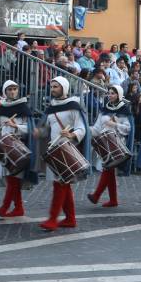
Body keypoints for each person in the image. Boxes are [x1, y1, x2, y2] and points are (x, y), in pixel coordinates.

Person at [35, 77, 90, 232]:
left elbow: (82, 128)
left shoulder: (73, 106)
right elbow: (47, 129)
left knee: (60, 184)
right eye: (51, 86)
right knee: (63, 185)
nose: (52, 89)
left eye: (56, 87)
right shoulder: (51, 107)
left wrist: (71, 133)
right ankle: (70, 218)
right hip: (54, 150)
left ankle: (53, 219)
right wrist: (39, 131)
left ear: (64, 88)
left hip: (67, 150)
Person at [0, 80, 35, 218]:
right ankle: (19, 208)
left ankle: (5, 207)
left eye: (15, 89)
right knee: (11, 178)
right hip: (4, 148)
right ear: (5, 92)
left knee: (13, 178)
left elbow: (30, 129)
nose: (13, 92)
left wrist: (16, 126)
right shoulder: (2, 109)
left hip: (18, 147)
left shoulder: (23, 108)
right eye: (10, 89)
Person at [87, 86, 134, 208]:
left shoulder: (124, 109)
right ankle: (113, 200)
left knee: (107, 168)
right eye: (109, 93)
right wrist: (86, 130)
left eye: (113, 93)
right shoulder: (104, 109)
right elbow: (97, 127)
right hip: (104, 143)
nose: (110, 95)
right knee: (109, 170)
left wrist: (114, 124)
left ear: (119, 94)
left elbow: (128, 129)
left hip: (117, 142)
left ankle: (96, 195)